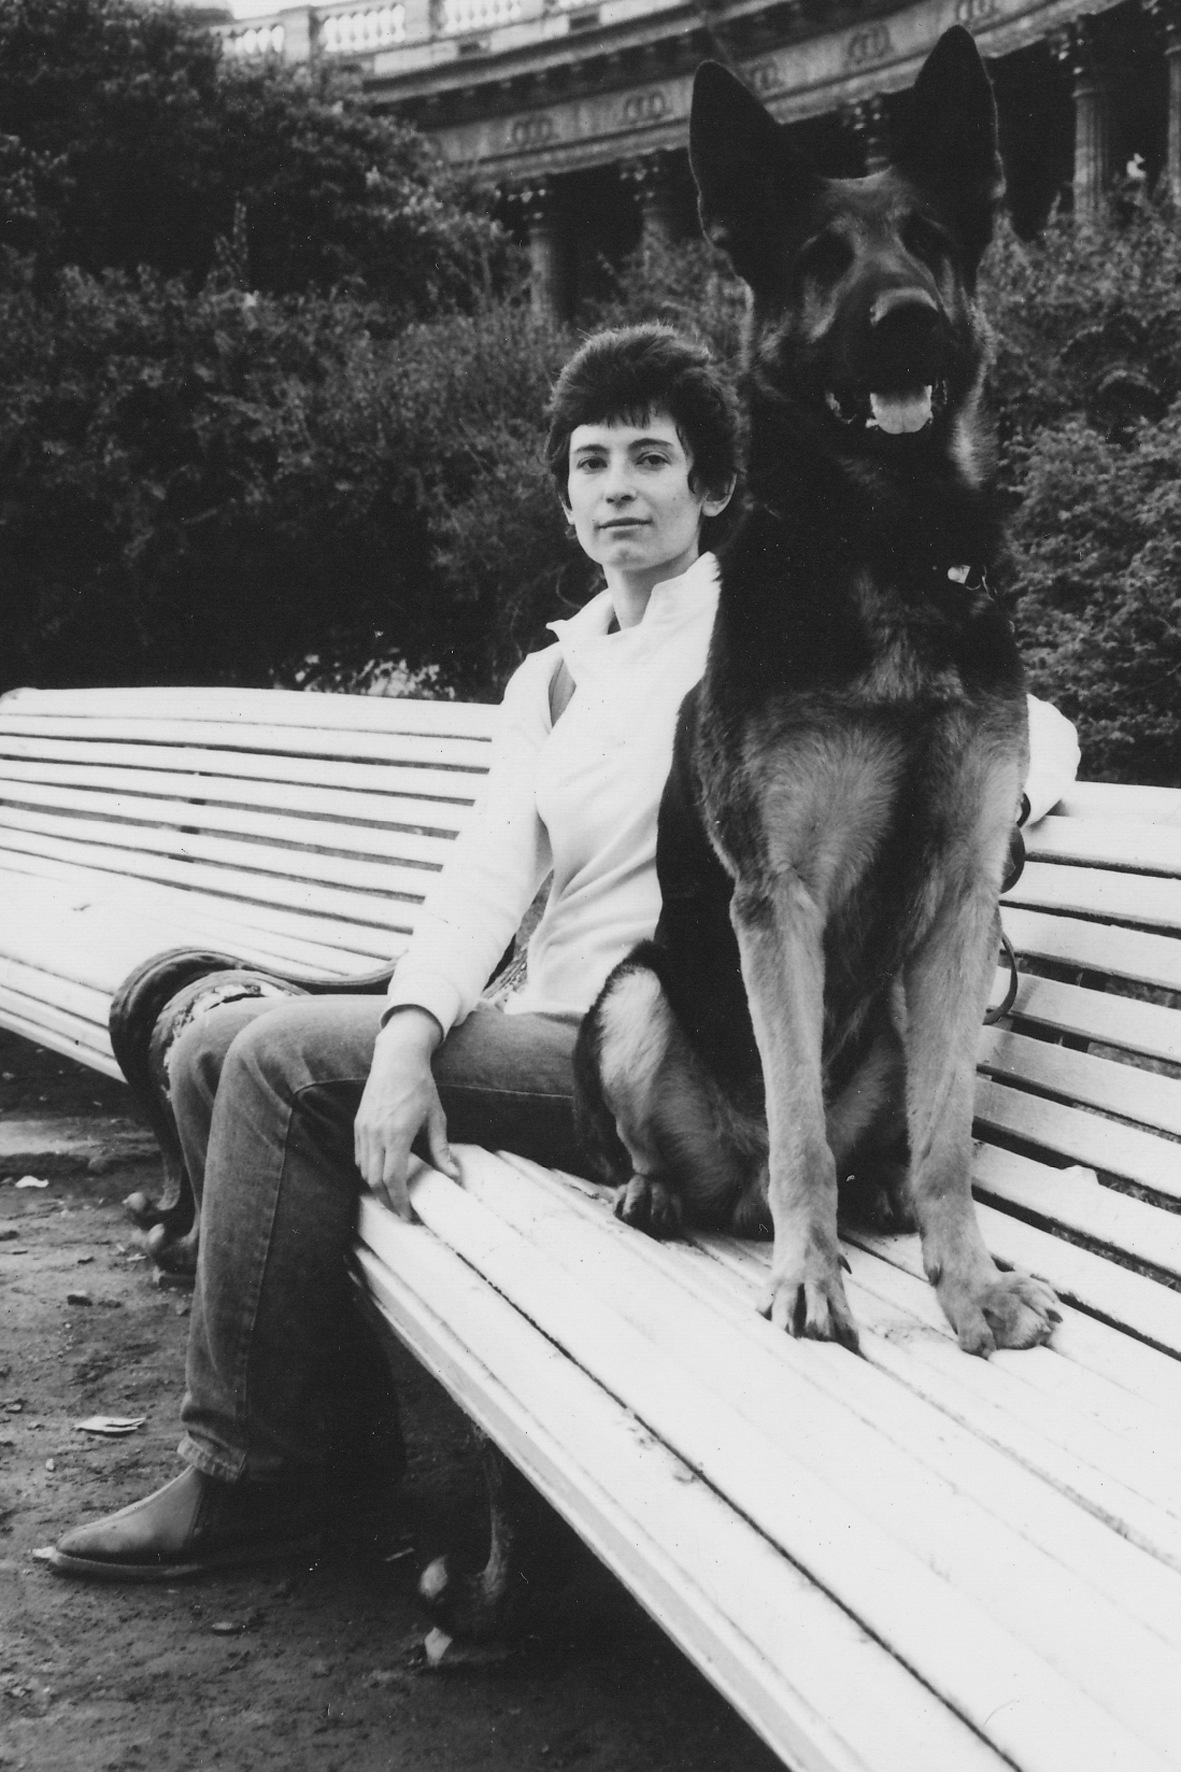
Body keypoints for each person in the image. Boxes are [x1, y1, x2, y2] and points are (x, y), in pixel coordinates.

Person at [47, 324, 1081, 1582]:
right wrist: (409, 1037)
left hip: (671, 1049)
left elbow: (1032, 726)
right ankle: (334, 1435)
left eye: (651, 458)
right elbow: (485, 877)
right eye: (591, 462)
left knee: (273, 1061)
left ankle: (251, 1471)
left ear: (714, 488)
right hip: (557, 1032)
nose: (617, 488)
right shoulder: (554, 672)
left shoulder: (773, 626)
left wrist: (993, 819)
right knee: (214, 1045)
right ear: (564, 497)